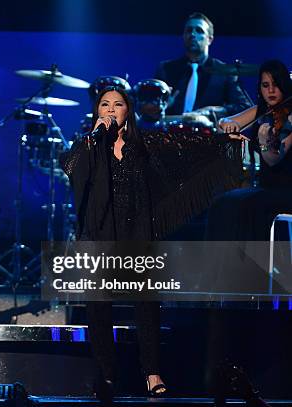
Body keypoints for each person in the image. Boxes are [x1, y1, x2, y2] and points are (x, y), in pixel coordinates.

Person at [60, 86, 242, 401]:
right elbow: (72, 167)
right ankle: (106, 374)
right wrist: (93, 137)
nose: (111, 109)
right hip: (100, 235)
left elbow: (185, 150)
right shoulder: (87, 146)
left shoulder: (143, 147)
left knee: (147, 304)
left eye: (118, 104)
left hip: (137, 232)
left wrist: (223, 142)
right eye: (105, 104)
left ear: (128, 110)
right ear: (96, 111)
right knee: (98, 307)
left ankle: (151, 372)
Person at [207, 59, 292, 241]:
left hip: (286, 190)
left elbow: (273, 159)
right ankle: (217, 266)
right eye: (265, 85)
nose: (270, 91)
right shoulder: (261, 110)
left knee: (244, 205)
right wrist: (227, 123)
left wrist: (263, 142)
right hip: (266, 187)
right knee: (220, 203)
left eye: (276, 85)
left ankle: (251, 265)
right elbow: (224, 123)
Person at [155, 12, 251, 120]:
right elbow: (149, 108)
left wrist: (212, 111)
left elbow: (244, 107)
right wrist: (162, 106)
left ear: (210, 39)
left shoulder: (224, 71)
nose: (192, 34)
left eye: (199, 31)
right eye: (189, 30)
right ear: (183, 36)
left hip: (209, 134)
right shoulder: (166, 69)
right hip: (170, 133)